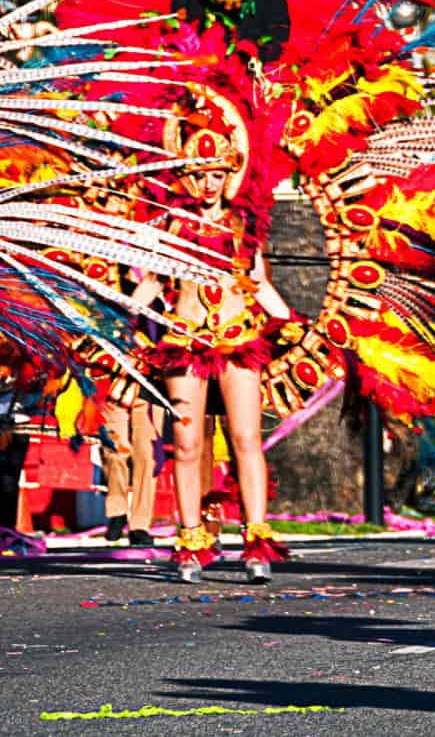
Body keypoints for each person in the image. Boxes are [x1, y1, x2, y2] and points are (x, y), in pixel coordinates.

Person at [131, 88, 292, 584]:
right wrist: (113, 318)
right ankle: (190, 541)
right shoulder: (172, 228)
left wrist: (293, 322)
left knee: (247, 438)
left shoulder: (244, 227)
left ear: (229, 175)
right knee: (185, 444)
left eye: (216, 173)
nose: (207, 183)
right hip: (184, 343)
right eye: (198, 174)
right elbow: (150, 286)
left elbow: (260, 284)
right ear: (185, 176)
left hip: (239, 341)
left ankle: (256, 540)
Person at [101, 395, 157, 547]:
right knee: (114, 449)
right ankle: (117, 510)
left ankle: (140, 525)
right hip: (113, 383)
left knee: (147, 456)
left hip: (151, 386)